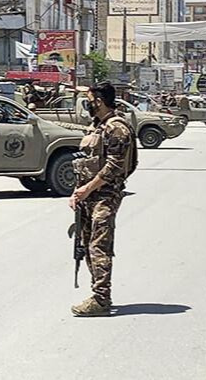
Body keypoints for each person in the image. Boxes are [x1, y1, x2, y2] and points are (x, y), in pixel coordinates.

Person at [69, 81, 137, 317]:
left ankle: (101, 299)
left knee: (99, 246)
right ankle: (97, 294)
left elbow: (114, 167)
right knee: (87, 245)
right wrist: (78, 192)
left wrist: (87, 189)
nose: (87, 104)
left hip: (104, 195)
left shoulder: (117, 128)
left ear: (98, 101)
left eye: (88, 99)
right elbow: (87, 160)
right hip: (89, 194)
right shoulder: (98, 126)